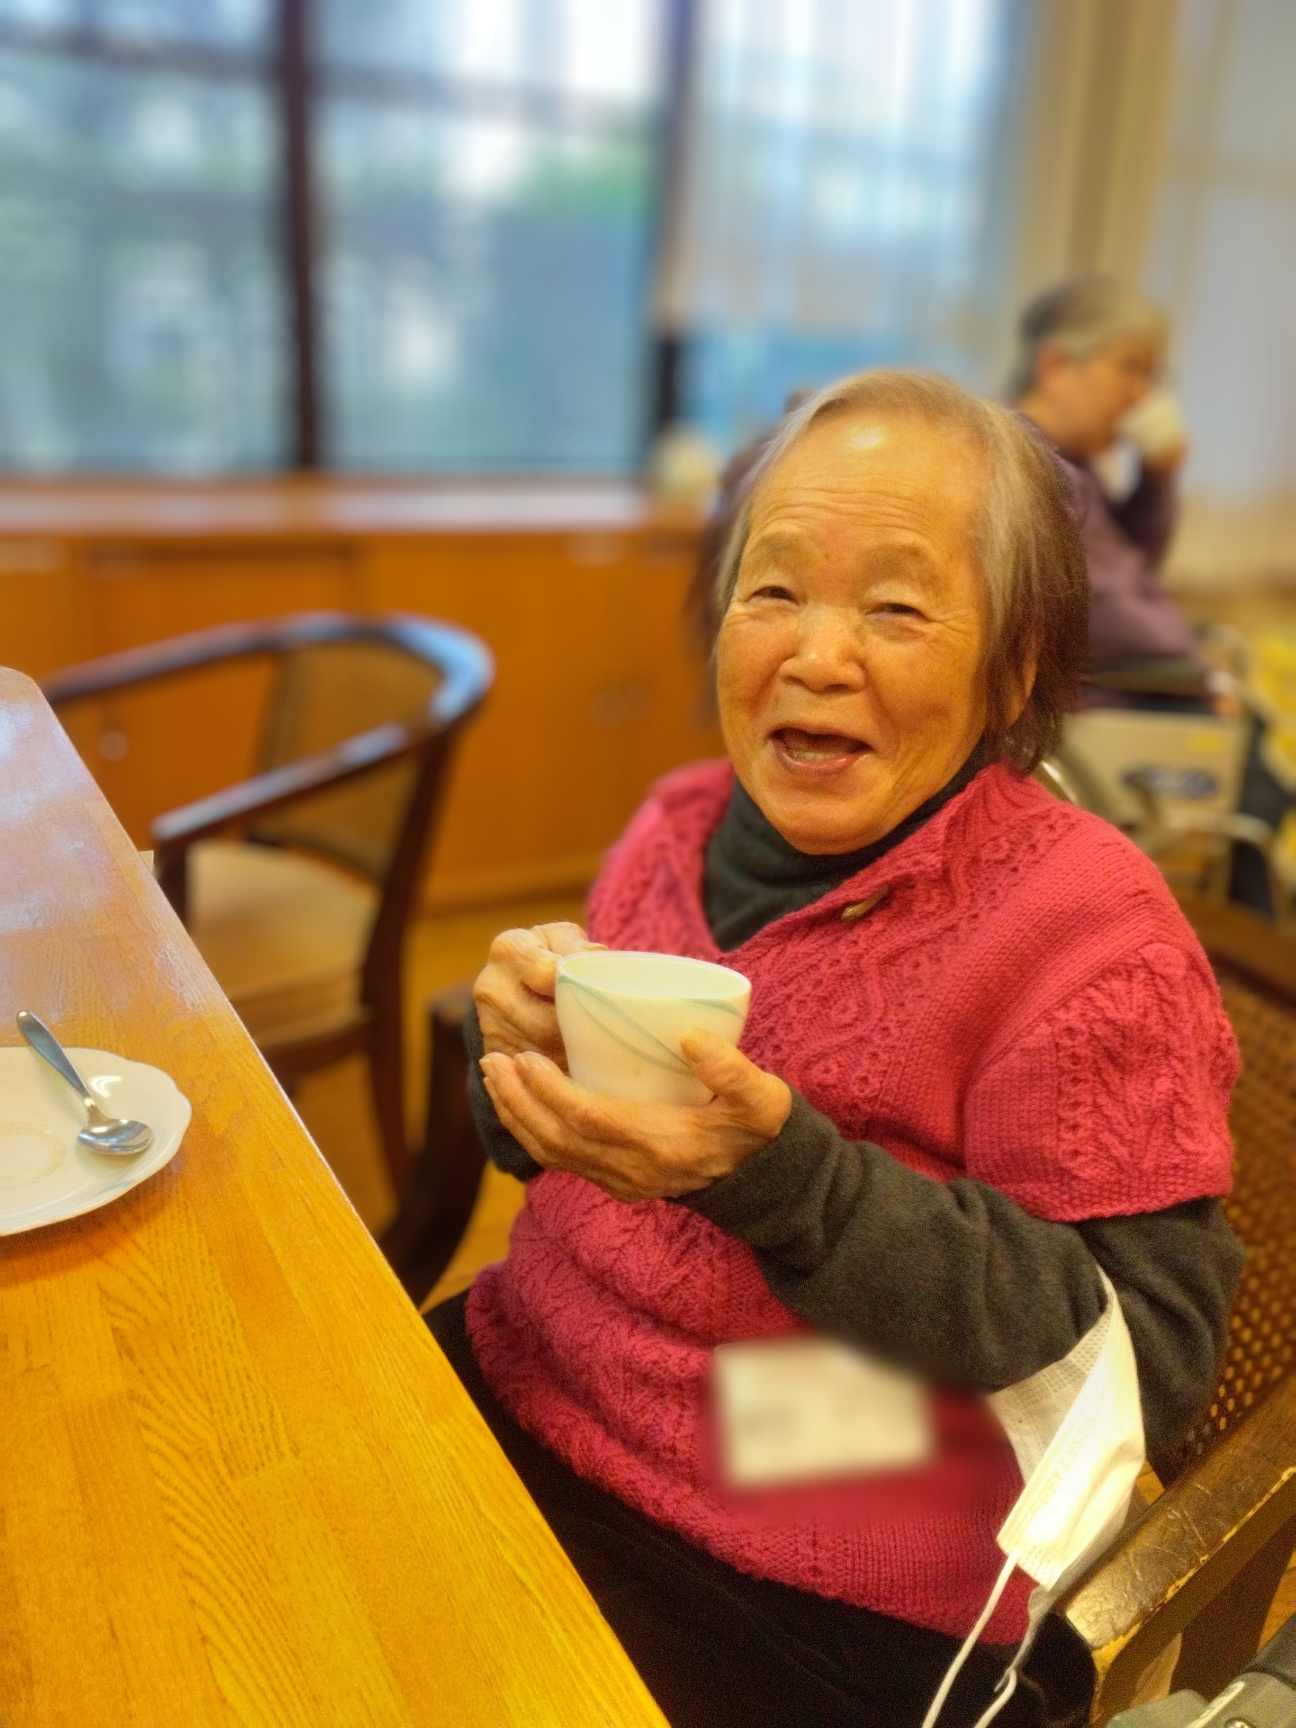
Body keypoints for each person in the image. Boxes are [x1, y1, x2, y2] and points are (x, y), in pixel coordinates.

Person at [427, 370, 1243, 1728]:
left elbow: (1147, 1362)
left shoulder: (1091, 937)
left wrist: (786, 1181)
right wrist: (513, 1070)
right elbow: (562, 1177)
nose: (815, 657)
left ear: (1014, 670)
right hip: (525, 1386)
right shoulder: (676, 827)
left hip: (816, 1582)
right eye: (775, 590)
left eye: (897, 609)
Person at [1009, 275, 1204, 685]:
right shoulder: (1031, 469)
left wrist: (1155, 479)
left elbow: (1133, 566)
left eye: (1150, 377)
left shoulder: (1073, 458)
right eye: (1129, 368)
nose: (1143, 396)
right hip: (1098, 704)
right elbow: (1102, 614)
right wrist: (1198, 667)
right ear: (1055, 368)